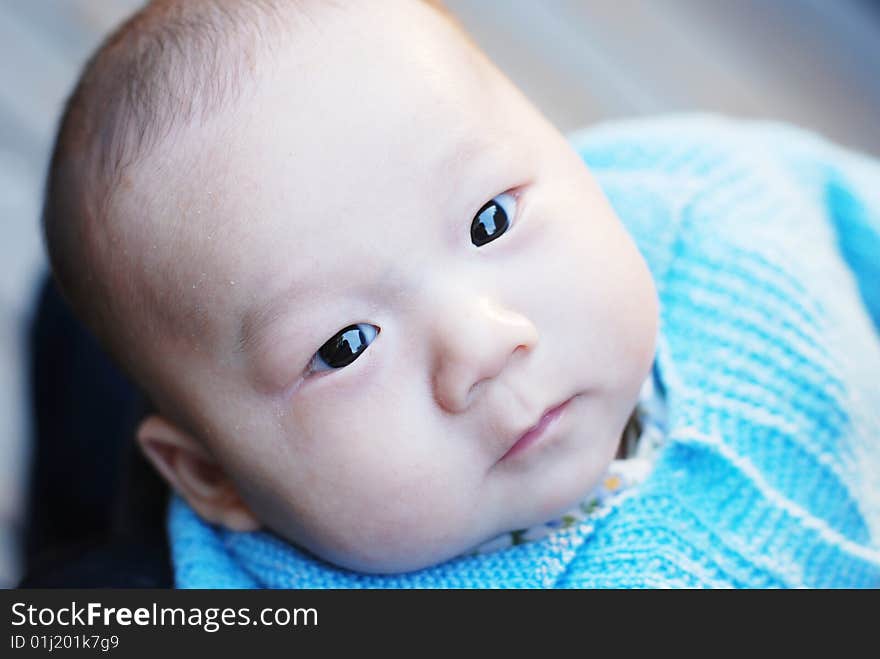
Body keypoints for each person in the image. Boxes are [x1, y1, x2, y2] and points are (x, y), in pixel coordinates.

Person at [41, 0, 880, 587]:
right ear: (213, 477)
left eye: (488, 222)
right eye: (346, 345)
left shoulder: (727, 218)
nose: (483, 342)